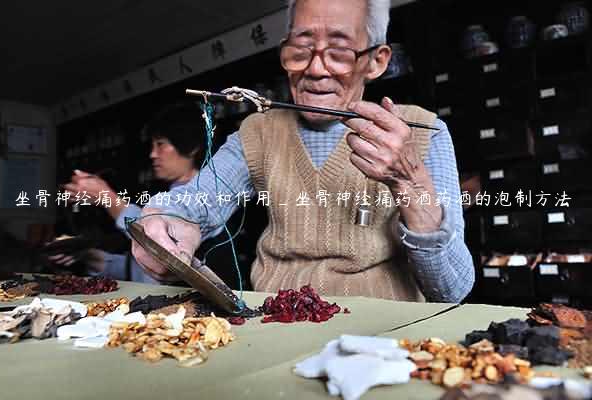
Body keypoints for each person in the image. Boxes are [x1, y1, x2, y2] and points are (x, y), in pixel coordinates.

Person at [132, 0, 475, 302]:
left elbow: (452, 288)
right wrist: (167, 221)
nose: (315, 69)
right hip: (277, 327)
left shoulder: (422, 131)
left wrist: (408, 183)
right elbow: (199, 202)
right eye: (300, 49)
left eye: (339, 52)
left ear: (376, 61)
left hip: (381, 340)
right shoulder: (259, 130)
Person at [49, 103, 206, 283]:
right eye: (152, 145)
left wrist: (107, 198)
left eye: (161, 144)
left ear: (192, 147)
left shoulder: (205, 199)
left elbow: (160, 246)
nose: (153, 154)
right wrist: (90, 257)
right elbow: (146, 270)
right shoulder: (164, 196)